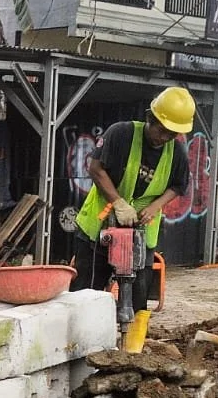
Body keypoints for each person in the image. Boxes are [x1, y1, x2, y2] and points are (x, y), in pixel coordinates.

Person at [72, 85, 196, 352]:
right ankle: (81, 348)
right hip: (99, 225)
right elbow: (95, 168)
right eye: (161, 129)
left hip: (142, 232)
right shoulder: (122, 133)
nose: (164, 137)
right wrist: (118, 202)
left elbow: (178, 185)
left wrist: (154, 207)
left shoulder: (176, 153)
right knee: (87, 290)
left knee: (139, 294)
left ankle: (132, 352)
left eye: (172, 133)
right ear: (151, 117)